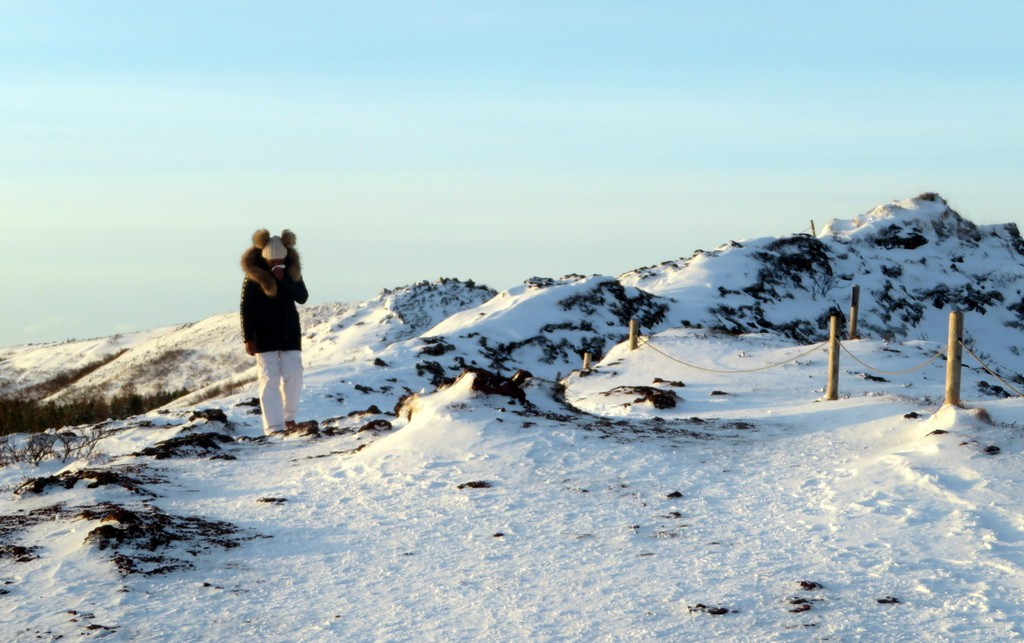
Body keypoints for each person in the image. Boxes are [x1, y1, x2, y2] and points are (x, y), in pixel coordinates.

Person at [240, 229, 309, 435]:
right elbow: (246, 308)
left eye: (280, 260)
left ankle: (289, 417)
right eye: (272, 261)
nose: (275, 263)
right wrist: (248, 337)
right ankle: (273, 427)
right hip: (263, 336)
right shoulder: (253, 276)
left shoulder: (292, 271)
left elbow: (302, 297)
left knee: (294, 375)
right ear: (265, 259)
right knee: (269, 379)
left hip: (289, 333)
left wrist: (284, 280)